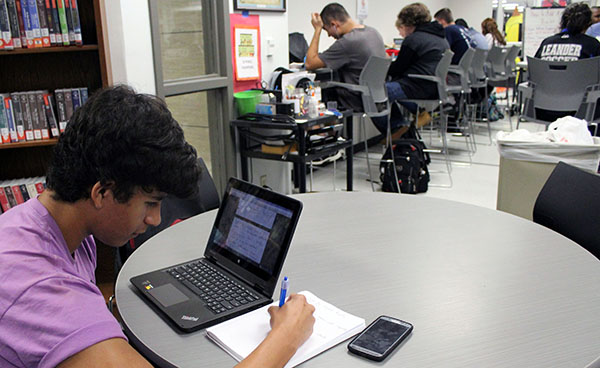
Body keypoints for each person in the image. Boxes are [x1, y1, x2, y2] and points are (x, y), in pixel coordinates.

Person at [0, 85, 316, 368]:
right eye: (151, 203)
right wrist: (287, 336)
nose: (155, 219)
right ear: (102, 193)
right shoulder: (43, 291)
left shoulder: (50, 225)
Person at [378, 2, 448, 135]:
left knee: (378, 91)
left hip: (419, 86)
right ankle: (407, 122)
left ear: (407, 25)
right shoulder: (440, 38)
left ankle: (396, 129)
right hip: (435, 86)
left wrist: (381, 69)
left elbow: (398, 68)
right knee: (392, 86)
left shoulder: (414, 40)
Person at [305, 3, 386, 116]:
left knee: (317, 93)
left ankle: (323, 132)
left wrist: (317, 29)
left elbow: (309, 63)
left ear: (334, 24)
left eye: (327, 29)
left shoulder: (348, 42)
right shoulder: (373, 32)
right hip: (377, 99)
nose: (328, 35)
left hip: (356, 101)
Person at [535, 2, 600, 61]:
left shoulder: (546, 43)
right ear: (588, 23)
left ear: (563, 21)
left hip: (548, 74)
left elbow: (534, 68)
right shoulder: (592, 44)